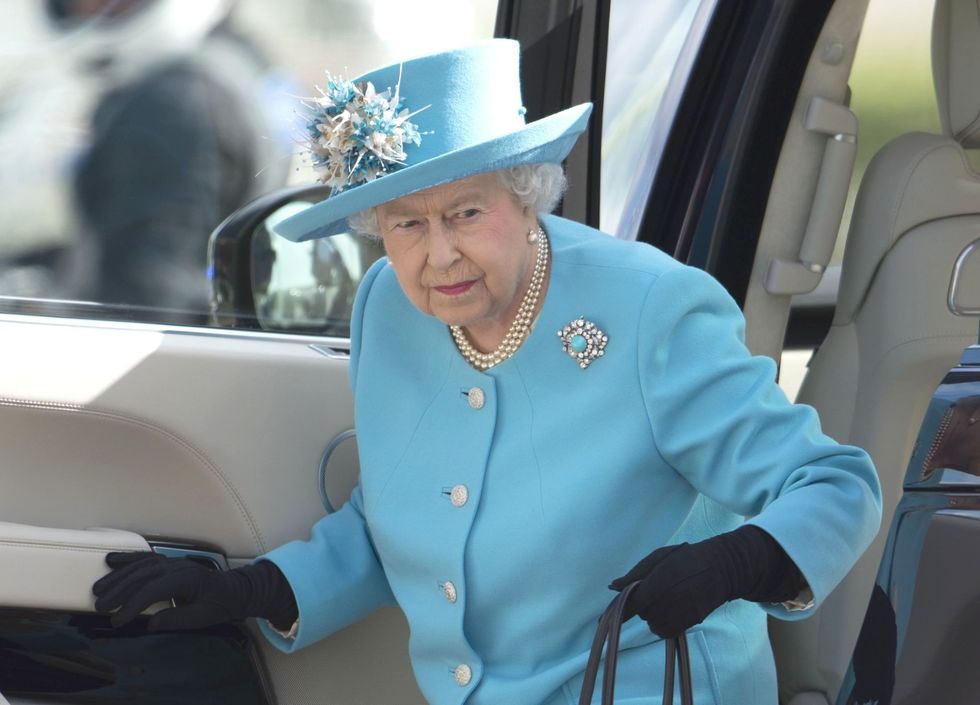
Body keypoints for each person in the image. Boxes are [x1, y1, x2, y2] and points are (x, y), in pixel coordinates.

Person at [91, 40, 882, 705]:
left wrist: (733, 561)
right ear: (376, 231)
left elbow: (836, 483)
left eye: (467, 212)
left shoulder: (650, 308)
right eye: (407, 222)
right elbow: (398, 517)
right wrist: (255, 589)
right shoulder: (388, 310)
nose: (438, 254)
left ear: (527, 194)